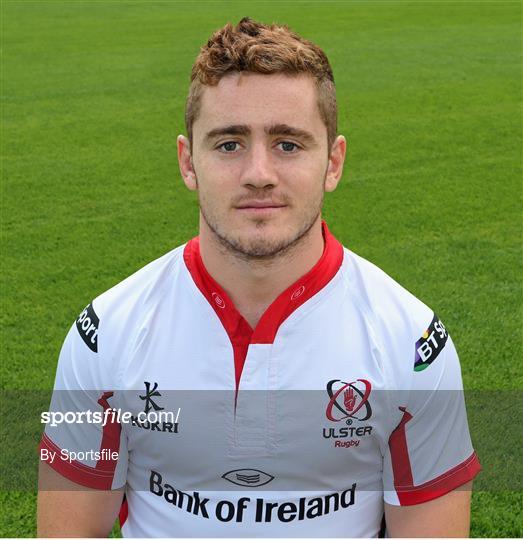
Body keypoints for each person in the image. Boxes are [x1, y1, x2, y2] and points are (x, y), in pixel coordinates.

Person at [37, 17, 481, 537]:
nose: (258, 173)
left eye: (288, 144)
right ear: (188, 162)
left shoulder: (411, 343)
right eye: (229, 144)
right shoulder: (104, 335)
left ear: (333, 163)